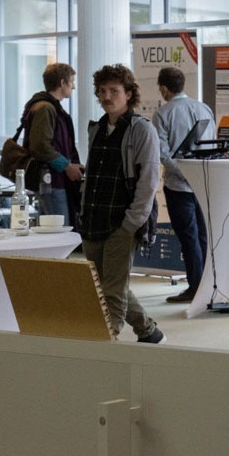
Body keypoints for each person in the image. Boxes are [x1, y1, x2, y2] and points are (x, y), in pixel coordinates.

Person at [78, 64, 164, 344]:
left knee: (112, 291)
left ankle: (107, 342)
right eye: (102, 91)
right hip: (92, 219)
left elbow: (149, 180)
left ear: (129, 94)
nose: (106, 96)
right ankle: (149, 332)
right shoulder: (98, 128)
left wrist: (131, 223)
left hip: (121, 223)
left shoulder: (142, 130)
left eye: (114, 91)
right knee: (101, 286)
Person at [151, 66, 216, 303]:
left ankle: (195, 287)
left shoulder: (163, 114)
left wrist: (184, 173)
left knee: (188, 237)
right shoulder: (204, 108)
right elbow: (212, 145)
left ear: (164, 88)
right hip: (203, 183)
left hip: (178, 186)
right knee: (202, 236)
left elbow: (162, 152)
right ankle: (206, 284)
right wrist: (196, 173)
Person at [18, 62, 83, 223]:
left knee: (49, 228)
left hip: (52, 180)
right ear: (62, 83)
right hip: (51, 180)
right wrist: (67, 166)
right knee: (59, 229)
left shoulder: (48, 107)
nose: (73, 87)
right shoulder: (46, 108)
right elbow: (40, 146)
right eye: (72, 81)